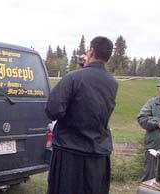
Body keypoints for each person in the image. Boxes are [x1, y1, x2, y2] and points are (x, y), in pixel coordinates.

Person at [45, 36, 118, 194]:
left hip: (69, 153)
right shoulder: (113, 83)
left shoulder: (73, 77)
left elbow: (53, 110)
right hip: (98, 153)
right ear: (108, 56)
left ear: (91, 51)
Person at [137, 76, 160, 181]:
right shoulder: (152, 103)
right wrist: (158, 122)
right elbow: (141, 118)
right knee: (148, 180)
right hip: (152, 150)